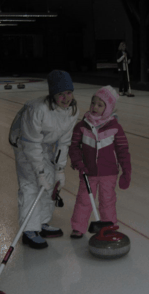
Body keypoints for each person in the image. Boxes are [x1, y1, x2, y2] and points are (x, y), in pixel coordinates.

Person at [9, 70, 80, 249]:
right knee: (31, 184)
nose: (66, 98)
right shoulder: (37, 110)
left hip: (46, 142)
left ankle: (42, 223)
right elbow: (31, 144)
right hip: (24, 143)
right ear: (52, 94)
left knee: (50, 184)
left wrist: (60, 169)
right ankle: (29, 230)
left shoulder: (72, 110)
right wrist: (39, 172)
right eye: (60, 94)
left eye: (69, 93)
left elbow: (64, 142)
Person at [68, 85, 132, 238]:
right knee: (83, 200)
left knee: (107, 201)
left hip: (108, 173)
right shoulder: (82, 127)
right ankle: (78, 227)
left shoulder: (115, 128)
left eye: (100, 104)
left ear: (108, 108)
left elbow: (123, 151)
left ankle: (108, 226)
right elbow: (74, 147)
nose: (95, 107)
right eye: (93, 103)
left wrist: (126, 171)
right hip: (87, 172)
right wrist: (78, 163)